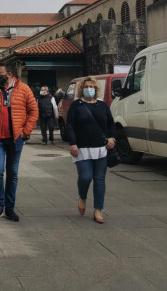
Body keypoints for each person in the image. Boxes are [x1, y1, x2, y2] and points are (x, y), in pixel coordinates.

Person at [0, 64, 38, 224]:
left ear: (9, 74)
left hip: (16, 138)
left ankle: (9, 207)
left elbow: (34, 111)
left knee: (12, 173)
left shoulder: (24, 89)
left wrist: (26, 131)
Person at [65, 76, 116, 224]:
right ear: (82, 89)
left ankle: (98, 210)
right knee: (85, 177)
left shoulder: (103, 105)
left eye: (92, 86)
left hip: (101, 148)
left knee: (100, 180)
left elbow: (111, 124)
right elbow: (69, 126)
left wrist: (112, 138)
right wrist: (73, 144)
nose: (89, 89)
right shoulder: (76, 105)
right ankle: (82, 196)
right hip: (81, 149)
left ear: (96, 88)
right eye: (86, 87)